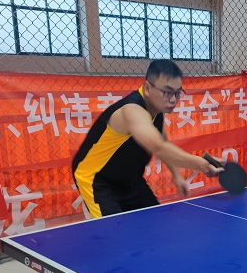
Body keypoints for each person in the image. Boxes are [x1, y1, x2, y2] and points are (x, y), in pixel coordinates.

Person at [72, 59, 222, 219]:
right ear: (148, 88)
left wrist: (176, 176)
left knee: (154, 222)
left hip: (129, 178)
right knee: (114, 230)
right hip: (97, 180)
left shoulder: (156, 109)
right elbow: (158, 147)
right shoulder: (131, 111)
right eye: (167, 92)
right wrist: (202, 164)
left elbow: (163, 142)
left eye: (177, 93)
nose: (173, 99)